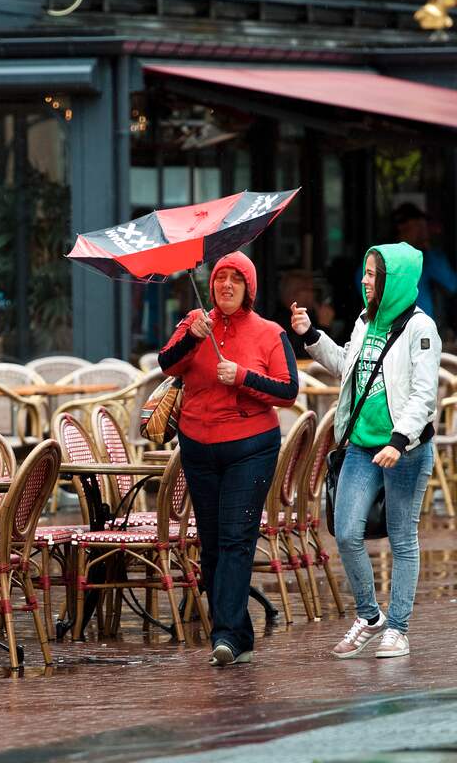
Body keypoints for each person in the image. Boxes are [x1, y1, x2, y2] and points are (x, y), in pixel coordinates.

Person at [292, 242, 439, 660]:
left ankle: (398, 628)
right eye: (366, 273)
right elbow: (348, 367)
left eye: (373, 274)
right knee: (345, 531)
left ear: (394, 280)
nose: (365, 280)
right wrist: (311, 336)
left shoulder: (421, 328)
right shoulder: (364, 320)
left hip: (405, 450)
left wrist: (399, 440)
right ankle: (370, 616)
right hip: (360, 446)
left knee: (402, 538)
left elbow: (424, 396)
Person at [158, 251, 298, 667]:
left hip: (251, 447)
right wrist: (192, 337)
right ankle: (241, 635)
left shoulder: (269, 332)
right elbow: (167, 364)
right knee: (213, 545)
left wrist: (241, 376)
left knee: (236, 539)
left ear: (249, 288)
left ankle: (224, 636)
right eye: (221, 277)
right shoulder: (194, 322)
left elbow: (288, 391)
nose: (226, 285)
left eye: (236, 279)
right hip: (198, 446)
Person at [391, 202, 457, 321]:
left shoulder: (429, 258)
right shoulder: (383, 255)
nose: (422, 230)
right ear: (402, 227)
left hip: (426, 326)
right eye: (417, 225)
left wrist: (427, 249)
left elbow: (452, 285)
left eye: (423, 226)